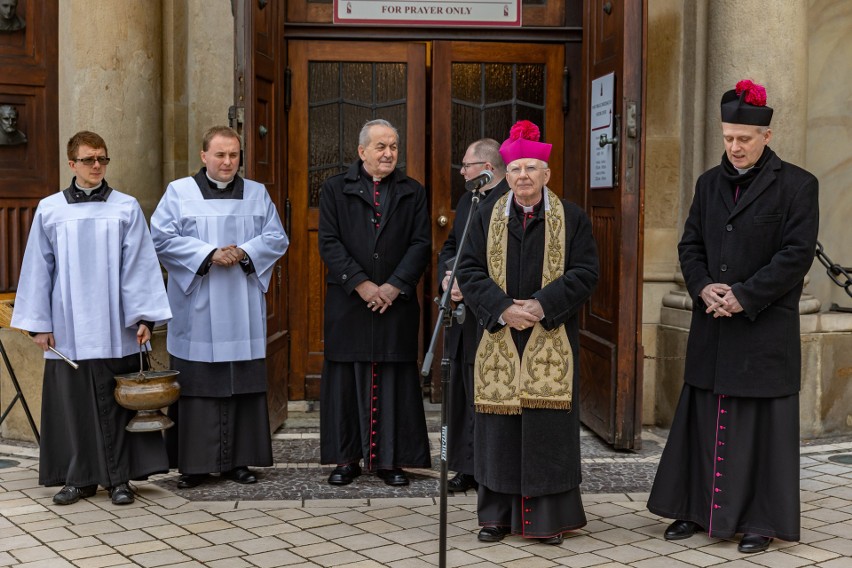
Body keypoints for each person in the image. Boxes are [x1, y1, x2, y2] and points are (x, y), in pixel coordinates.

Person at [647, 80, 819, 554]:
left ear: (766, 135)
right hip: (713, 327)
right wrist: (702, 286)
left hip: (762, 331)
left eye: (743, 138)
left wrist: (744, 295)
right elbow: (690, 244)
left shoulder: (799, 184)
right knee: (703, 423)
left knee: (759, 431)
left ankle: (760, 521)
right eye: (727, 138)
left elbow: (796, 255)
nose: (734, 147)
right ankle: (693, 509)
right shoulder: (708, 183)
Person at [457, 120, 599, 545]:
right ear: (507, 172)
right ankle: (496, 517)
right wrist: (502, 308)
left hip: (549, 334)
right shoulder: (484, 216)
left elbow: (586, 272)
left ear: (546, 174)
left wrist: (541, 306)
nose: (522, 176)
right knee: (498, 432)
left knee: (545, 432)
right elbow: (468, 270)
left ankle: (545, 520)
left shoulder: (571, 218)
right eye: (516, 168)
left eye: (531, 168)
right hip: (500, 334)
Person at [11, 131, 172, 506]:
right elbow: (38, 267)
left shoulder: (126, 207)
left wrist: (145, 316)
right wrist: (40, 323)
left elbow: (139, 265)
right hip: (68, 328)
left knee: (120, 403)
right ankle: (79, 478)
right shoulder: (50, 209)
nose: (97, 166)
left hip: (116, 324)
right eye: (88, 160)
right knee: (74, 407)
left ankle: (120, 480)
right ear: (72, 164)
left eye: (102, 159)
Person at [150, 125, 289, 489]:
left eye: (234, 155)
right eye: (221, 155)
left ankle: (239, 462)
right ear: (203, 155)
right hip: (199, 306)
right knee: (198, 385)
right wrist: (209, 253)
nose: (228, 162)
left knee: (241, 382)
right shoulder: (179, 192)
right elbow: (161, 238)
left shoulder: (257, 194)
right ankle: (194, 465)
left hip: (241, 306)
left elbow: (277, 237)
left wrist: (245, 252)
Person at [319, 118, 432, 487]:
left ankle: (390, 460)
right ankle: (346, 458)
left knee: (395, 380)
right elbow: (329, 243)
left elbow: (420, 243)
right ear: (362, 151)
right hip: (350, 302)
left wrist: (395, 286)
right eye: (381, 146)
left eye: (394, 147)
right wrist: (363, 285)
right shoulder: (335, 189)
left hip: (395, 304)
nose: (388, 153)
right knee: (344, 382)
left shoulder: (413, 191)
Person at [437, 138, 508, 493]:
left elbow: (505, 261)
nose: (462, 172)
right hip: (461, 314)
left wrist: (468, 284)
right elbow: (452, 246)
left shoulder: (509, 202)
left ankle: (488, 468)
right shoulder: (469, 199)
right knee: (462, 392)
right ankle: (464, 465)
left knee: (487, 391)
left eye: (466, 166)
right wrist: (447, 277)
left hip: (491, 315)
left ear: (487, 169)